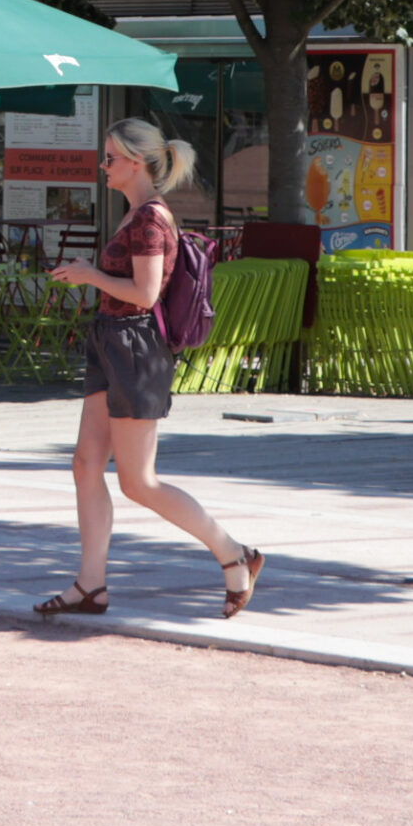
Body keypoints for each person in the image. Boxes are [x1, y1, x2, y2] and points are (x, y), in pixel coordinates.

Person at [36, 118, 260, 621]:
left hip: (136, 348)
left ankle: (234, 554)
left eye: (111, 157)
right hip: (111, 340)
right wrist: (91, 278)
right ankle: (90, 586)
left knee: (139, 481)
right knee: (85, 465)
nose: (104, 165)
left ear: (137, 162)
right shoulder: (133, 214)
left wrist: (90, 274)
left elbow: (144, 293)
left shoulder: (150, 219)